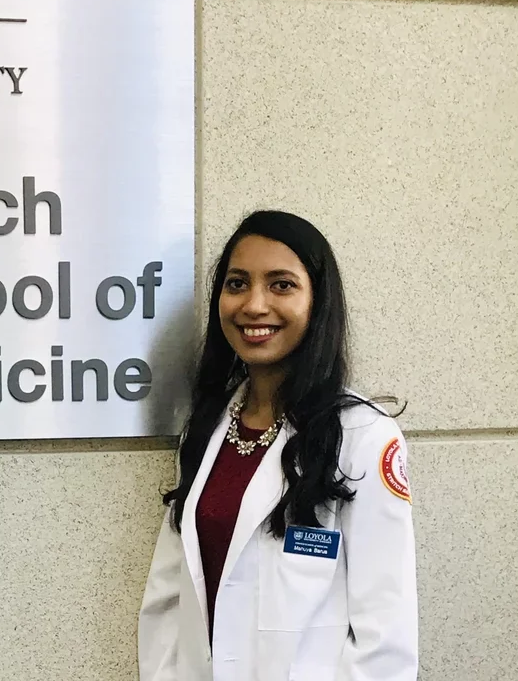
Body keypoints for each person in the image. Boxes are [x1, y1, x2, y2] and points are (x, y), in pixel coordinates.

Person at [138, 210, 418, 681]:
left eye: (281, 284)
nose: (254, 305)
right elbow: (168, 601)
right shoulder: (206, 428)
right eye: (237, 283)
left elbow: (385, 633)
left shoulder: (361, 437)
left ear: (318, 302)